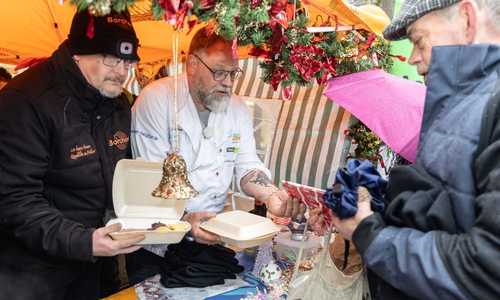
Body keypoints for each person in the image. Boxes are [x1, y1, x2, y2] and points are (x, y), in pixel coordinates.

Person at [310, 0, 500, 299]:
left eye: (418, 40)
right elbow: (451, 210)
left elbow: (488, 264)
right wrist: (373, 204)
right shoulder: (460, 106)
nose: (412, 58)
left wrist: (369, 232)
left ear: (467, 19)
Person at [127, 26, 306, 285]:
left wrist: (270, 196)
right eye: (219, 72)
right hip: (158, 243)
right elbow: (152, 180)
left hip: (210, 237)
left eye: (234, 74)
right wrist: (184, 221)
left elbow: (247, 166)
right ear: (191, 64)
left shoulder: (236, 108)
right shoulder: (156, 100)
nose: (228, 82)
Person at [0, 8, 146, 300]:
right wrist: (84, 241)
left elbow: (123, 176)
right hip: (32, 270)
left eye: (128, 62)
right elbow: (14, 198)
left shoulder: (116, 103)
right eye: (112, 59)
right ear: (78, 52)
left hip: (92, 258)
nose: (122, 72)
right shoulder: (25, 101)